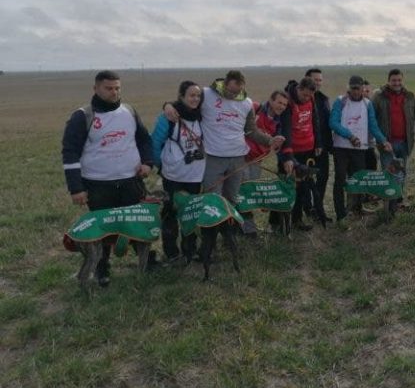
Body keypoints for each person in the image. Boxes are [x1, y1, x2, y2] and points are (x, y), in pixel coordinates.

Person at [62, 70, 154, 287]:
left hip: (131, 181)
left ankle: (146, 262)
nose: (114, 92)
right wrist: (76, 188)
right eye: (109, 88)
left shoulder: (129, 111)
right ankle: (102, 269)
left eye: (117, 88)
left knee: (137, 224)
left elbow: (144, 140)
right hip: (98, 185)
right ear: (96, 89)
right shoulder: (82, 116)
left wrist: (147, 163)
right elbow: (70, 153)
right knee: (103, 230)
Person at [163, 70, 283, 206]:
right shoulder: (207, 94)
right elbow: (188, 102)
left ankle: (230, 227)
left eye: (237, 92)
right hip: (214, 158)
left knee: (233, 198)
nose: (233, 95)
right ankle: (212, 227)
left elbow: (251, 131)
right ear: (225, 84)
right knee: (212, 200)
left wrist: (269, 140)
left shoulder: (247, 103)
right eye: (231, 91)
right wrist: (168, 105)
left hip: (238, 159)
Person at [152, 80, 205, 262]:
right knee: (170, 213)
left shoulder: (201, 116)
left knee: (191, 212)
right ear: (181, 96)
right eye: (191, 95)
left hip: (195, 176)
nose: (195, 99)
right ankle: (172, 253)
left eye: (198, 95)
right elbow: (155, 144)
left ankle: (190, 249)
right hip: (173, 176)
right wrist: (163, 166)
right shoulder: (168, 117)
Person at [330, 75, 392, 228]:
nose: (356, 92)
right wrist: (349, 135)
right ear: (348, 88)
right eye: (353, 88)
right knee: (340, 180)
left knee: (357, 179)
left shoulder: (367, 104)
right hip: (341, 148)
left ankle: (356, 208)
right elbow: (333, 122)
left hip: (359, 149)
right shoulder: (341, 101)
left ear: (363, 88)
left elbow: (373, 125)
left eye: (359, 88)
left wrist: (383, 140)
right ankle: (341, 214)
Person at [243, 90, 294, 234]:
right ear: (271, 100)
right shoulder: (254, 108)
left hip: (256, 160)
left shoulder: (279, 123)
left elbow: (280, 146)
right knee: (240, 192)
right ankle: (245, 228)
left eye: (284, 104)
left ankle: (244, 227)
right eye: (279, 102)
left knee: (248, 193)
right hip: (240, 158)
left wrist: (287, 159)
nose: (282, 107)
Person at [372, 68, 415, 212]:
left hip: (405, 142)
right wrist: (380, 140)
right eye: (394, 80)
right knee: (389, 174)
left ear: (402, 80)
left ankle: (398, 200)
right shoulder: (379, 97)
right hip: (387, 144)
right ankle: (388, 206)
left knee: (401, 173)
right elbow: (372, 120)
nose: (397, 83)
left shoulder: (410, 96)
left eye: (399, 80)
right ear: (388, 81)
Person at [284, 77, 322, 230]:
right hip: (292, 151)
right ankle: (281, 222)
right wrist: (287, 154)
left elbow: (315, 120)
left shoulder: (311, 100)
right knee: (288, 186)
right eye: (304, 95)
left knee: (303, 187)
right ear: (298, 89)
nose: (306, 98)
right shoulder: (288, 101)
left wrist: (318, 142)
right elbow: (285, 128)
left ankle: (297, 219)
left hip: (308, 148)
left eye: (309, 96)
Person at [305, 68, 332, 223]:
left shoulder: (323, 99)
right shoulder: (300, 99)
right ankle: (307, 210)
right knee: (306, 180)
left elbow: (326, 125)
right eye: (315, 80)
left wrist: (329, 145)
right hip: (305, 148)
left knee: (323, 178)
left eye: (320, 80)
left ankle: (318, 210)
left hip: (322, 148)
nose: (318, 83)